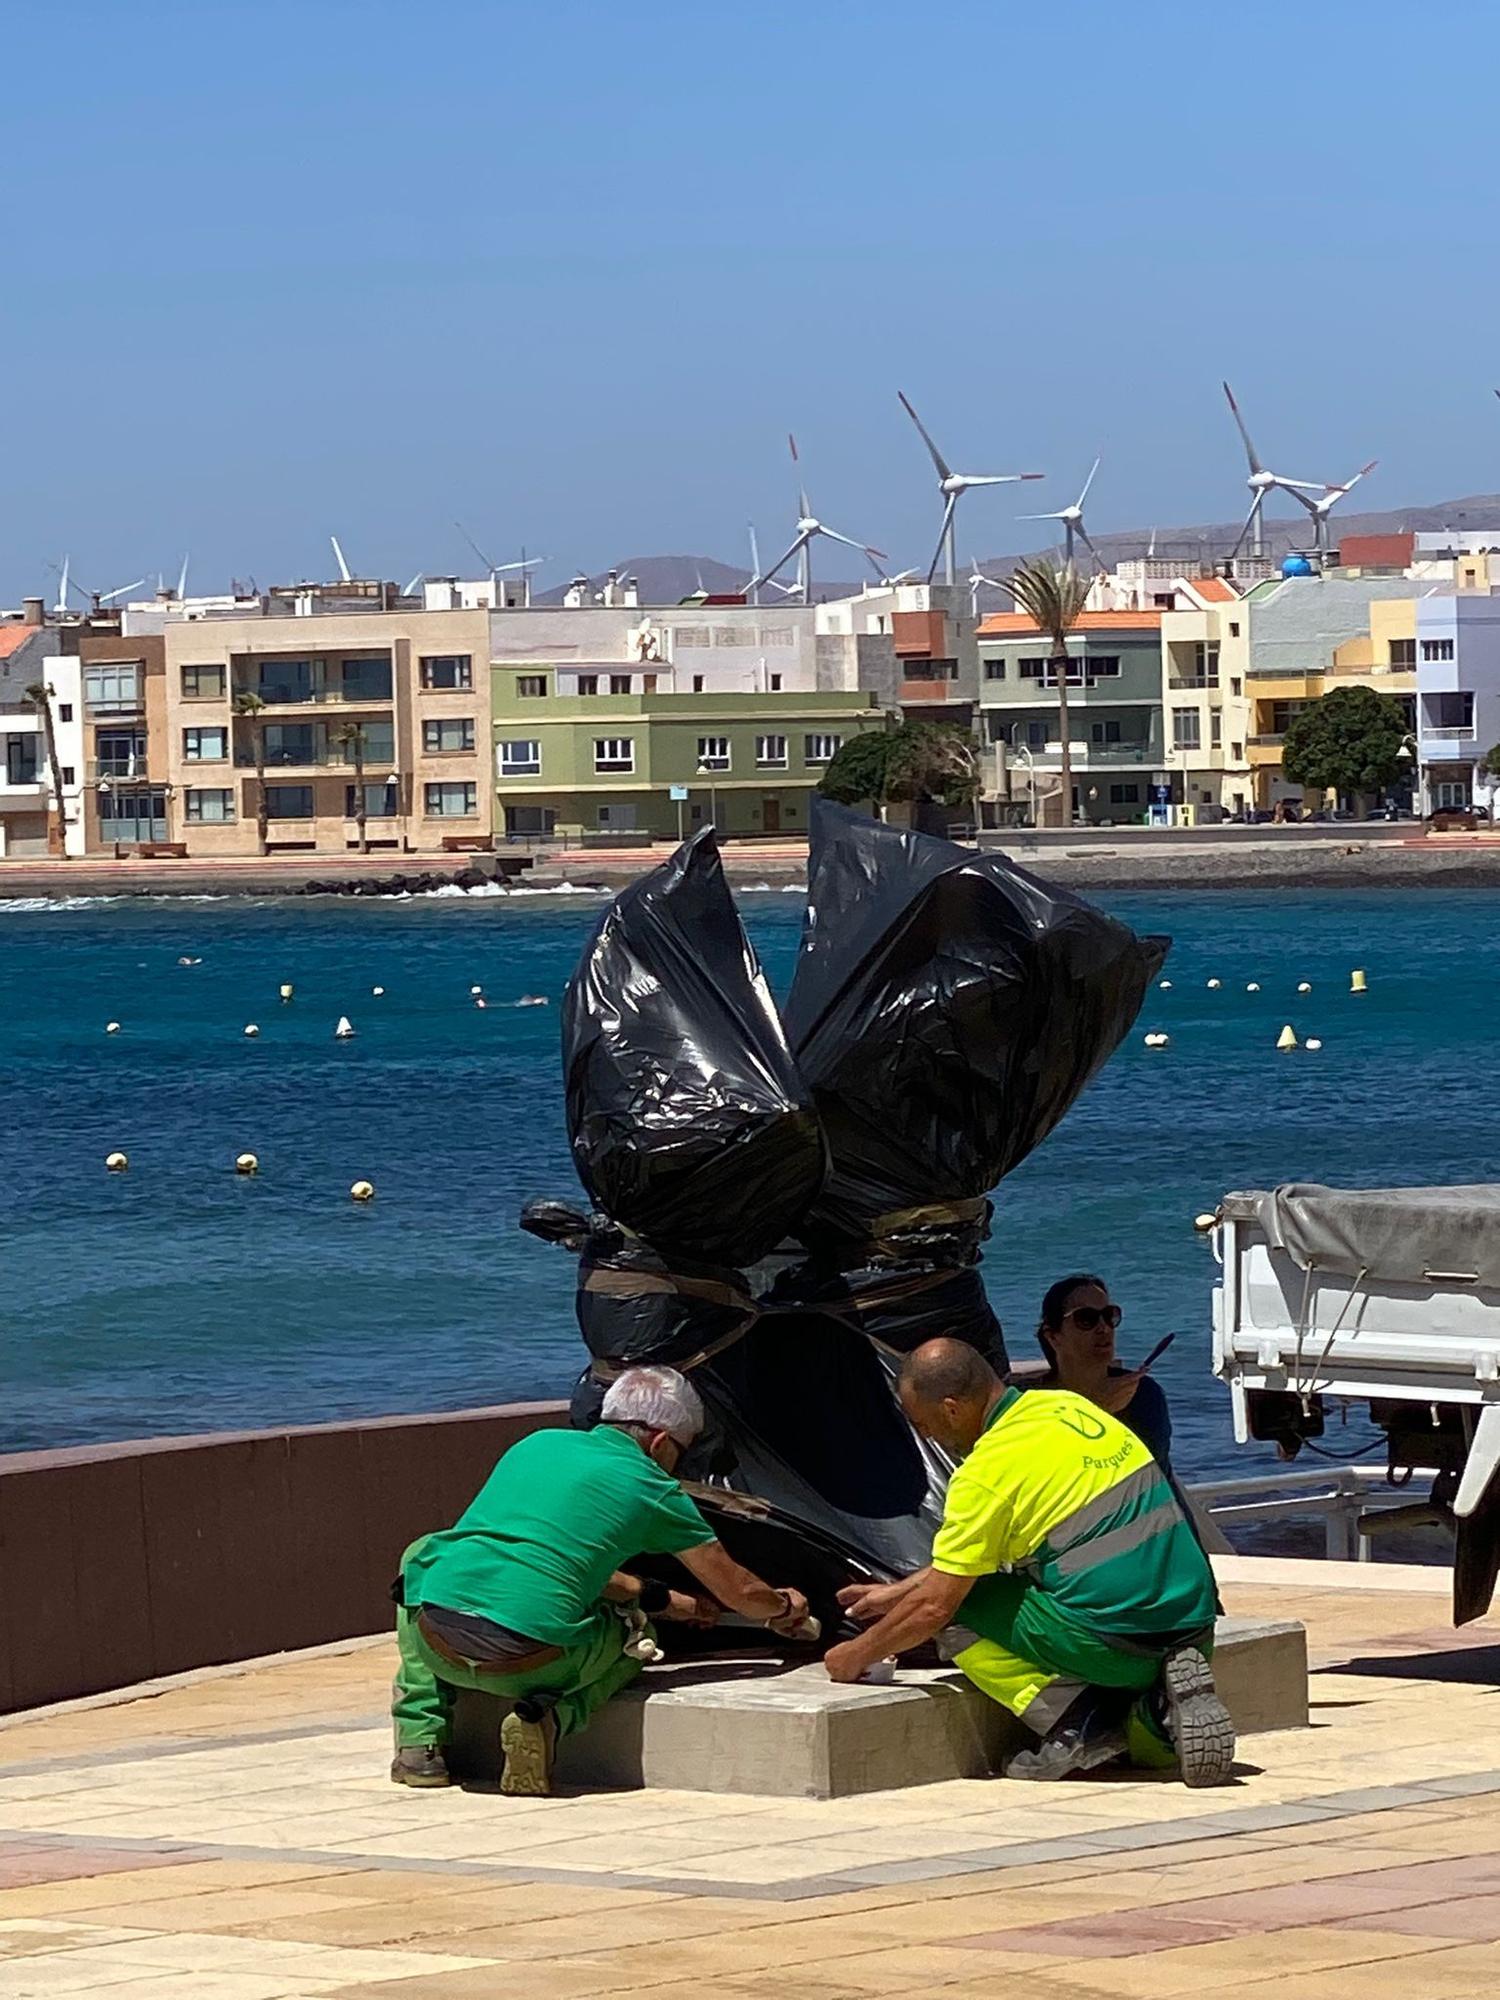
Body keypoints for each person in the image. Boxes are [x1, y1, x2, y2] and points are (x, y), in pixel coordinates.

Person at [824, 1338, 1232, 1786]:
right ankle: (1155, 1716)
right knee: (1145, 1751)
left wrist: (854, 1655)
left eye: (925, 1425)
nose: (928, 1438)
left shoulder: (986, 1473)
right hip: (1193, 1629)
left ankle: (1075, 1723)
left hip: (1120, 1647)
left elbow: (935, 1607)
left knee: (960, 1610)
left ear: (952, 1408)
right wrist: (898, 1591)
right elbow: (983, 1556)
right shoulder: (1068, 1410)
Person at [390, 1364, 811, 1796]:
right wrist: (783, 1607)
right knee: (637, 1638)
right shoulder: (654, 1488)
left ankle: (420, 1745)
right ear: (662, 1442)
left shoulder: (536, 1444)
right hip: (530, 1664)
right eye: (681, 1453)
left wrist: (667, 1599)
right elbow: (738, 1591)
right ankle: (550, 1719)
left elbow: (549, 1563)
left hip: (439, 1647)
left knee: (423, 1560)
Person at [1035, 1274, 1172, 1472]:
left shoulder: (1143, 1394)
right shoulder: (1034, 1402)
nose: (1103, 1328)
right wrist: (1097, 1410)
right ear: (1053, 1336)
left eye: (1109, 1316)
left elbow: (1143, 1472)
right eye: (1086, 1319)